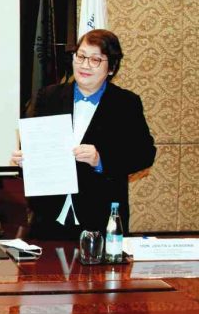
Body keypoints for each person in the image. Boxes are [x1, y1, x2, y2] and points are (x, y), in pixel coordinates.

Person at [11, 29, 156, 240]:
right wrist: (26, 160)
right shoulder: (48, 96)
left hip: (100, 216)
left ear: (111, 68)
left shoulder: (125, 103)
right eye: (80, 56)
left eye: (95, 59)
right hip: (48, 217)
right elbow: (35, 147)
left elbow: (144, 154)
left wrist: (100, 159)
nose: (85, 65)